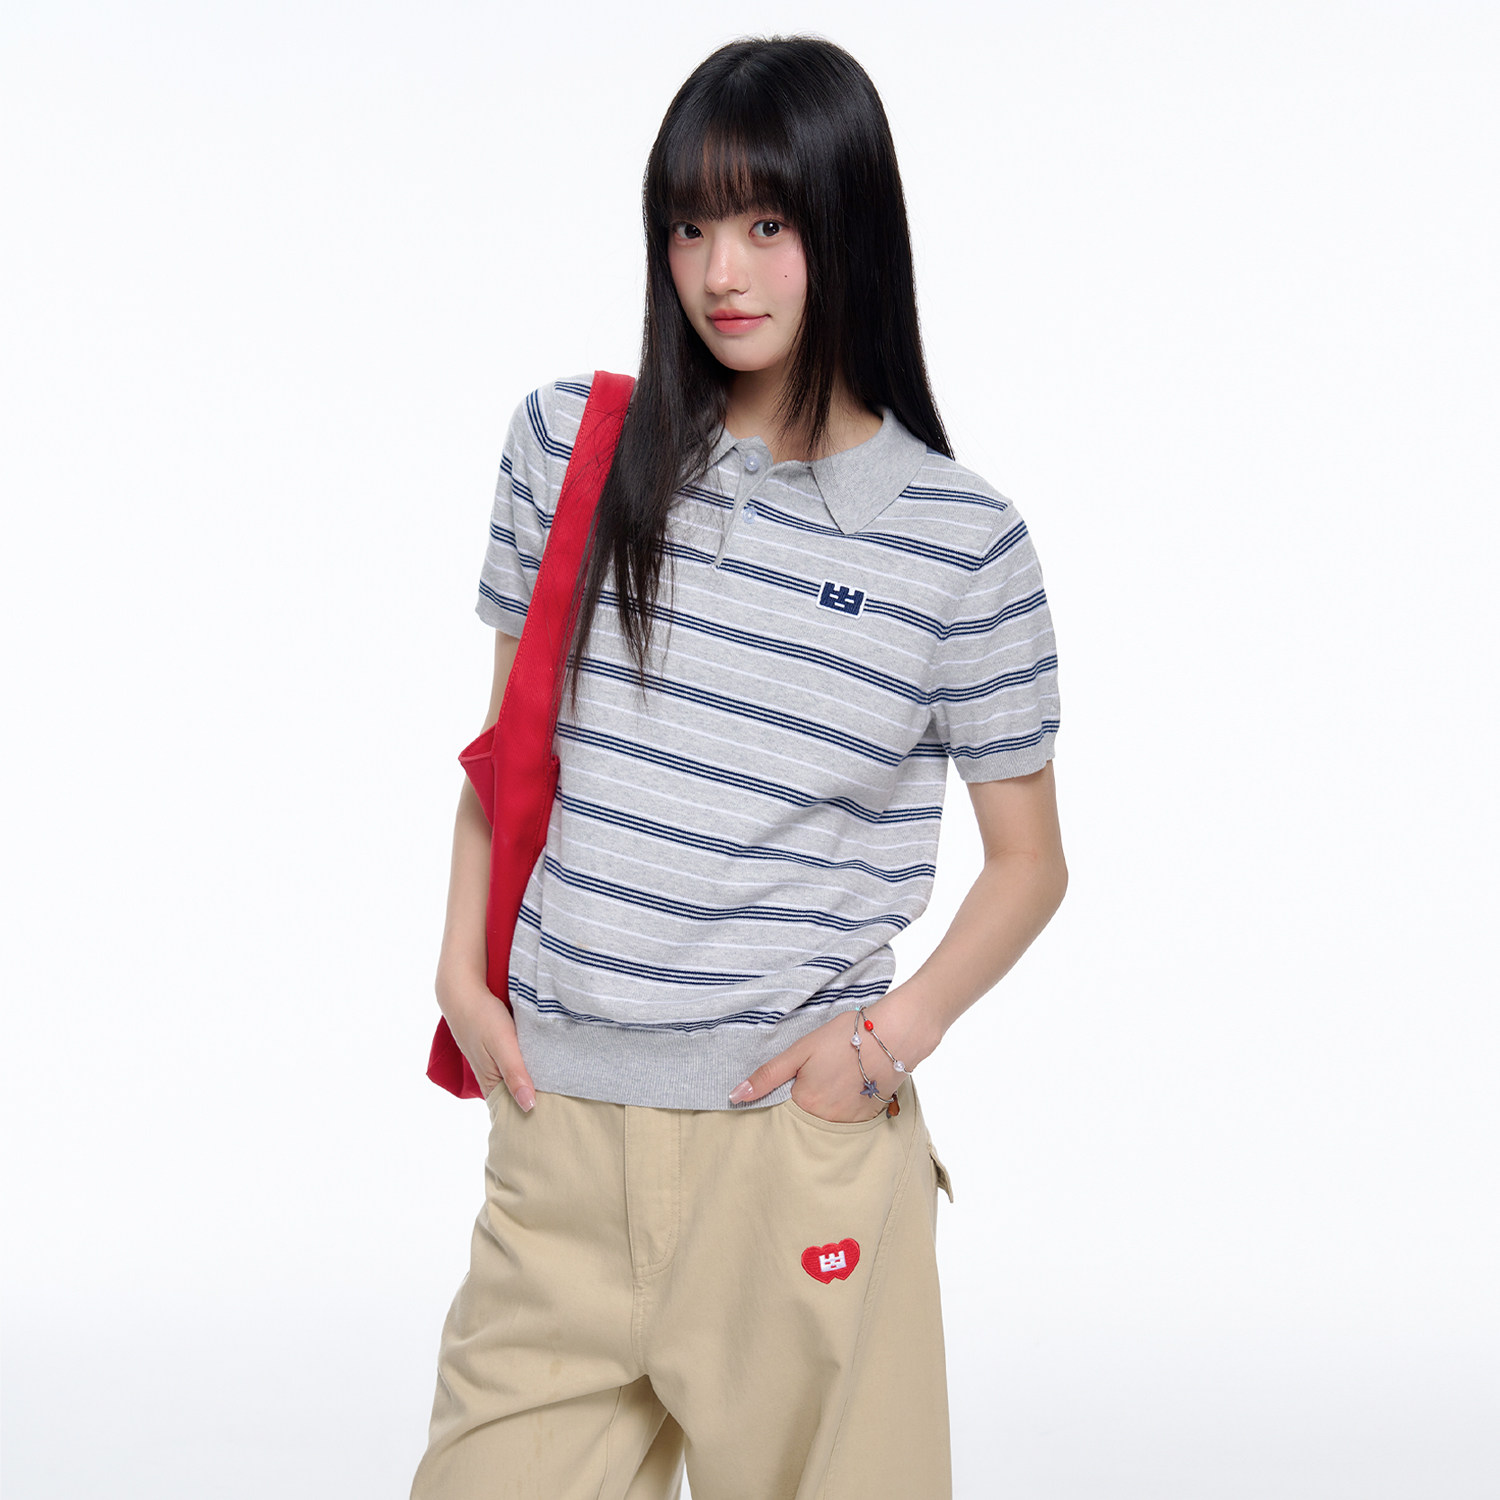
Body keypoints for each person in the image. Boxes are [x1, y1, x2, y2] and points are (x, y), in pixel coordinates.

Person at [410, 33, 1067, 1500]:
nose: (722, 271)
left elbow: (1031, 864)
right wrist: (460, 970)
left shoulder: (959, 541)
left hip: (793, 1155)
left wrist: (887, 1043)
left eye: (767, 223)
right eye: (691, 225)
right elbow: (504, 759)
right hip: (558, 1148)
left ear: (847, 229)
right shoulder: (570, 448)